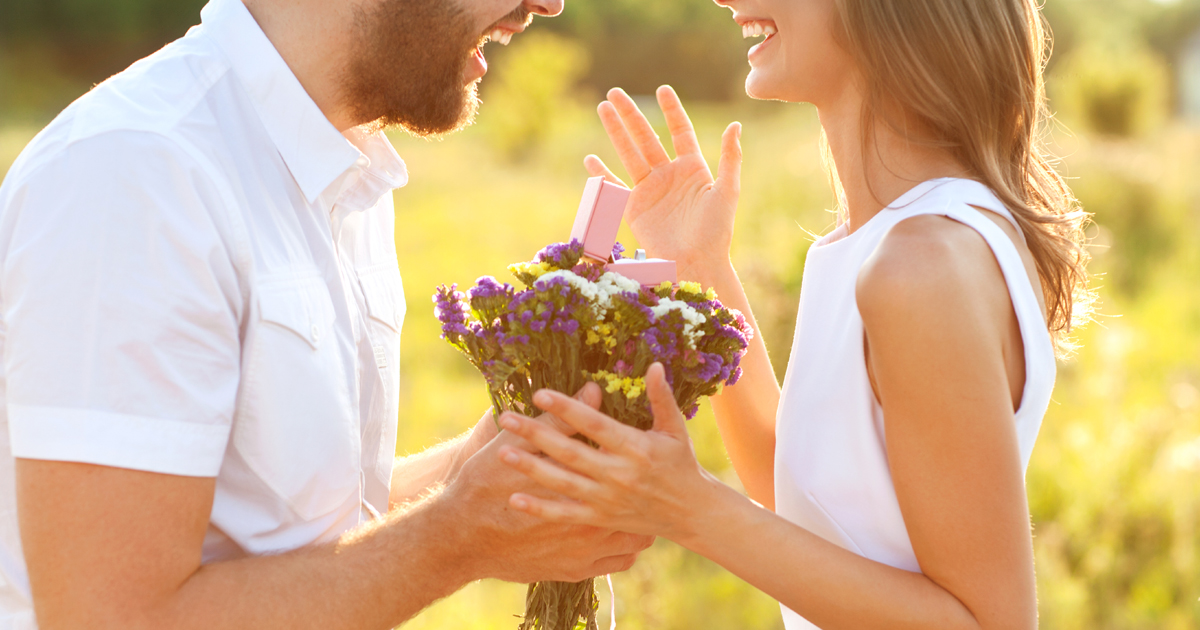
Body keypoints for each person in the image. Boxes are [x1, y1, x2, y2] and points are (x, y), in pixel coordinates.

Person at [0, 0, 653, 627]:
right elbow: (112, 619)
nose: (547, 4)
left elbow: (291, 527)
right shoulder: (138, 174)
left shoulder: (346, 170)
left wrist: (487, 464)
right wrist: (458, 538)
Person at [494, 0, 1092, 628]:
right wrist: (701, 267)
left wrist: (688, 508)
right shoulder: (879, 242)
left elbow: (985, 622)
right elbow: (804, 497)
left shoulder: (922, 263)